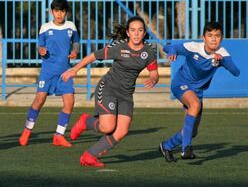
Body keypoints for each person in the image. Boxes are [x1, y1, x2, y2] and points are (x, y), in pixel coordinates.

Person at [61, 16, 159, 167]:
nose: (136, 34)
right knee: (108, 127)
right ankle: (85, 121)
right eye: (133, 30)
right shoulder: (120, 47)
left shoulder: (149, 51)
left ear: (145, 33)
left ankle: (89, 156)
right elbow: (93, 56)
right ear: (127, 32)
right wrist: (74, 69)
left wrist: (153, 79)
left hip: (126, 95)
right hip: (108, 89)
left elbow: (154, 73)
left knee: (122, 131)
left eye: (140, 30)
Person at [158, 21, 240, 162]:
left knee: (192, 132)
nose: (213, 39)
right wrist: (172, 52)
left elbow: (236, 72)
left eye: (217, 35)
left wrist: (222, 61)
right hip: (181, 84)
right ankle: (186, 149)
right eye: (210, 35)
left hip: (197, 91)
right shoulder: (194, 47)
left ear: (222, 38)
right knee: (195, 105)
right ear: (204, 37)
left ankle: (166, 145)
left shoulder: (222, 54)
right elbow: (168, 47)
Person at [18, 0, 80, 147]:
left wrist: (75, 51)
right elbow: (39, 46)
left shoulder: (71, 26)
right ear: (52, 12)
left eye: (62, 11)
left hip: (65, 71)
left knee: (70, 102)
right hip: (48, 71)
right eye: (56, 11)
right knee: (39, 101)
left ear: (66, 12)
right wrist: (41, 50)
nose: (59, 14)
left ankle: (58, 135)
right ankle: (26, 131)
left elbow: (76, 42)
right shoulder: (45, 27)